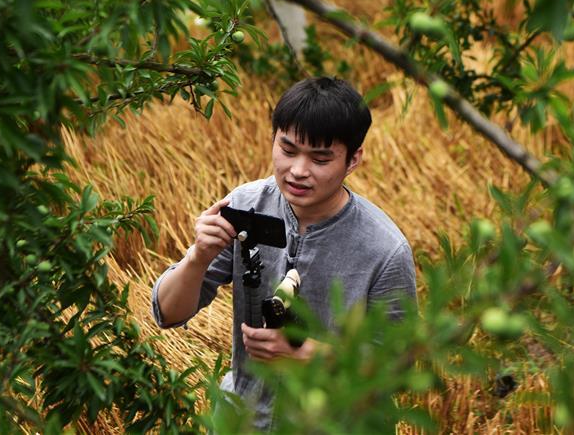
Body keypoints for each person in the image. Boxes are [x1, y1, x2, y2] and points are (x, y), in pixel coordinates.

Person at [151, 76, 417, 429]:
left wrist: (310, 356)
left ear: (353, 160)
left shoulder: (384, 249)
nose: (298, 171)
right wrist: (197, 258)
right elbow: (166, 313)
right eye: (288, 150)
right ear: (273, 139)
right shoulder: (246, 205)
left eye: (320, 159)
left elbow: (398, 367)